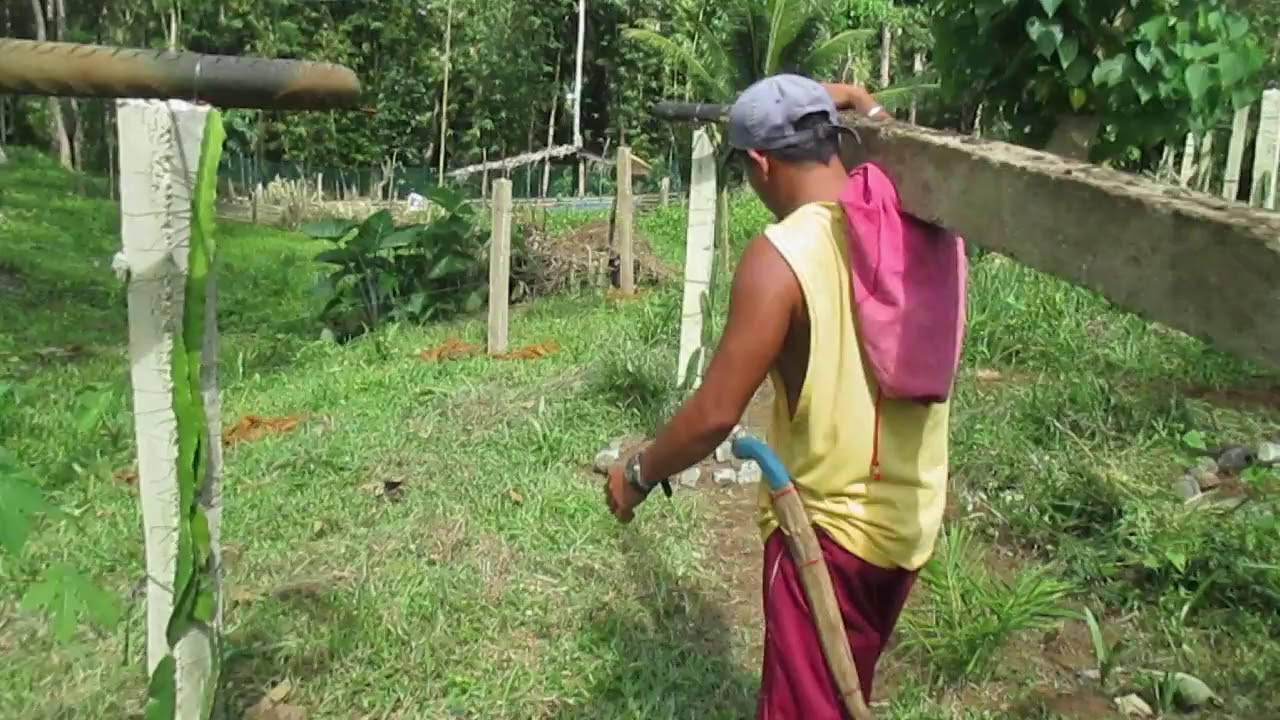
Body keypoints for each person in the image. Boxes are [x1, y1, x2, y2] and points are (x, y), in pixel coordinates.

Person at [604, 75, 956, 719]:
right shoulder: (912, 221)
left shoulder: (782, 256)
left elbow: (715, 414)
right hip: (909, 523)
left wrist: (638, 472)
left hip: (823, 535)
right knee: (846, 683)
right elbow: (909, 148)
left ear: (760, 163)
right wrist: (867, 103)